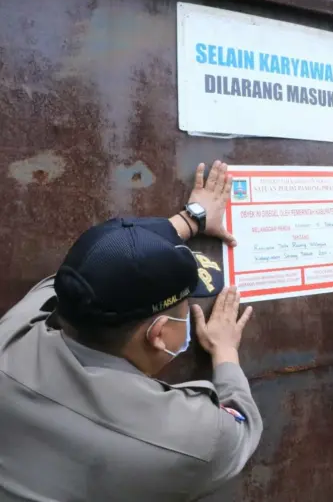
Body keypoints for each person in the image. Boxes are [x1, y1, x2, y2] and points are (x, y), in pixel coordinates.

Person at [0, 161, 263, 502]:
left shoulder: (10, 340)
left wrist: (190, 219)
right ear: (159, 333)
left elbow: (88, 271)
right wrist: (225, 351)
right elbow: (241, 424)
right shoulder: (197, 437)